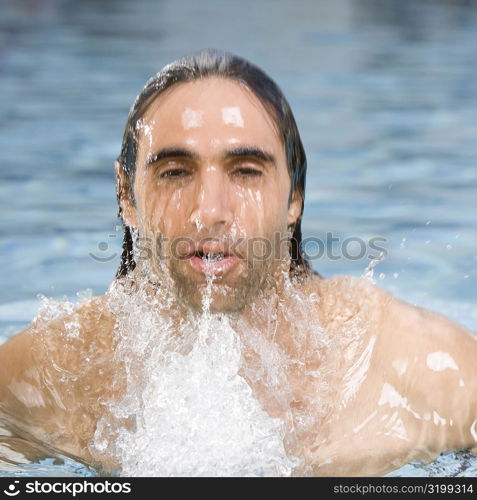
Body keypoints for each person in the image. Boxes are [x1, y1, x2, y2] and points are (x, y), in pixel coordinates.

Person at [0, 49, 475, 477]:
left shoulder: (414, 366)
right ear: (127, 195)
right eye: (174, 172)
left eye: (246, 171)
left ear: (295, 197)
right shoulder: (46, 376)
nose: (210, 210)